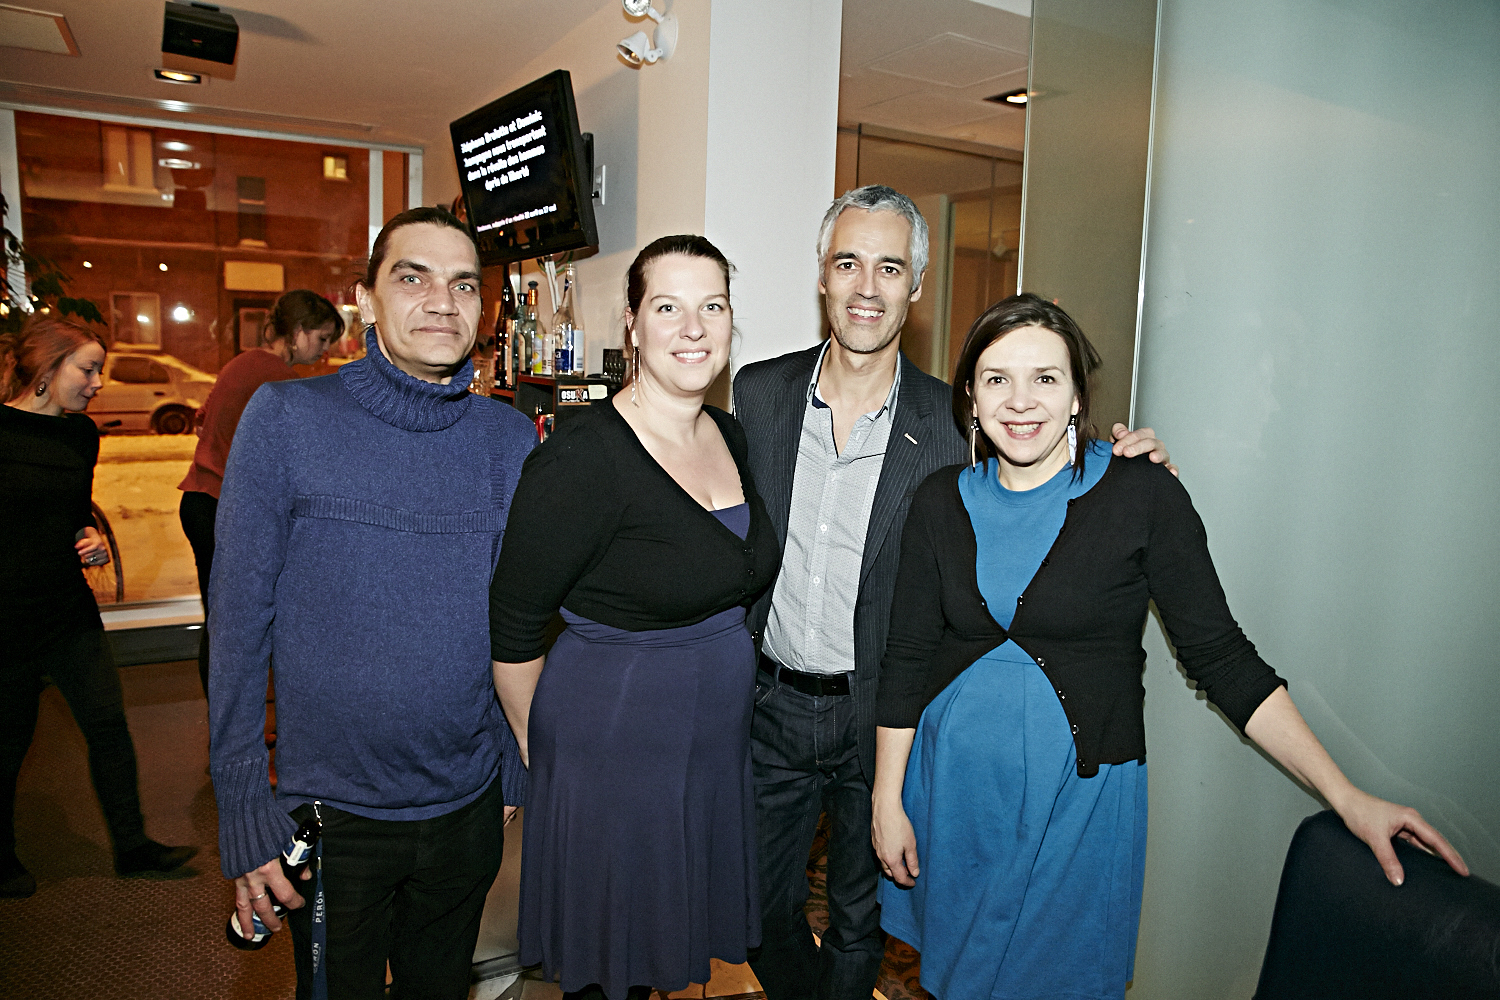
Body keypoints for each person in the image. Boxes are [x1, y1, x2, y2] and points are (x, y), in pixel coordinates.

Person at [870, 293, 1469, 999]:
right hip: (956, 798)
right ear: (970, 393)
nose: (1020, 400)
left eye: (1046, 378)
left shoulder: (1142, 495)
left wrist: (1345, 795)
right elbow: (907, 656)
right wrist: (887, 796)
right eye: (998, 378)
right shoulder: (940, 500)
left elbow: (1223, 659)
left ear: (1076, 396)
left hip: (1078, 809)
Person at [731, 185, 1171, 1000]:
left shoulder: (954, 424)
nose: (868, 286)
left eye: (890, 267)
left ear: (916, 287)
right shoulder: (756, 394)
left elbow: (1039, 482)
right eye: (849, 262)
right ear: (822, 277)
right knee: (752, 911)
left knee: (864, 921)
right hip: (772, 707)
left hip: (889, 714)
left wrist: (1127, 463)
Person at [210, 207, 535, 999]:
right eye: (411, 277)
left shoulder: (509, 437)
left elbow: (516, 619)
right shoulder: (287, 420)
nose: (442, 301)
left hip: (466, 805)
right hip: (330, 813)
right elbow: (237, 624)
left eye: (464, 284)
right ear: (364, 300)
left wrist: (511, 773)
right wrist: (244, 801)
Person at [489, 235, 780, 1000]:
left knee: (660, 953)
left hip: (708, 740)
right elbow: (514, 624)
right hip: (612, 744)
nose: (693, 327)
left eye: (711, 306)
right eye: (668, 307)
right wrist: (548, 754)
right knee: (611, 968)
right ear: (632, 325)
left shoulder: (732, 435)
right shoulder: (583, 458)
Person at [1, 315, 197, 899]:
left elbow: (72, 508)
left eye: (99, 371)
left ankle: (133, 846)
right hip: (7, 615)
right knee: (10, 741)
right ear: (46, 368)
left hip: (67, 608)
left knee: (109, 725)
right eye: (87, 369)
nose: (97, 382)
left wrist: (86, 533)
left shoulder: (81, 435)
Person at [178, 289, 343, 697]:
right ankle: (232, 736)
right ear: (299, 331)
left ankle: (227, 729)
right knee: (229, 626)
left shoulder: (242, 363)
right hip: (219, 505)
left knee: (220, 619)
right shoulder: (277, 377)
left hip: (201, 498)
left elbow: (204, 419)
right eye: (321, 339)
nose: (323, 351)